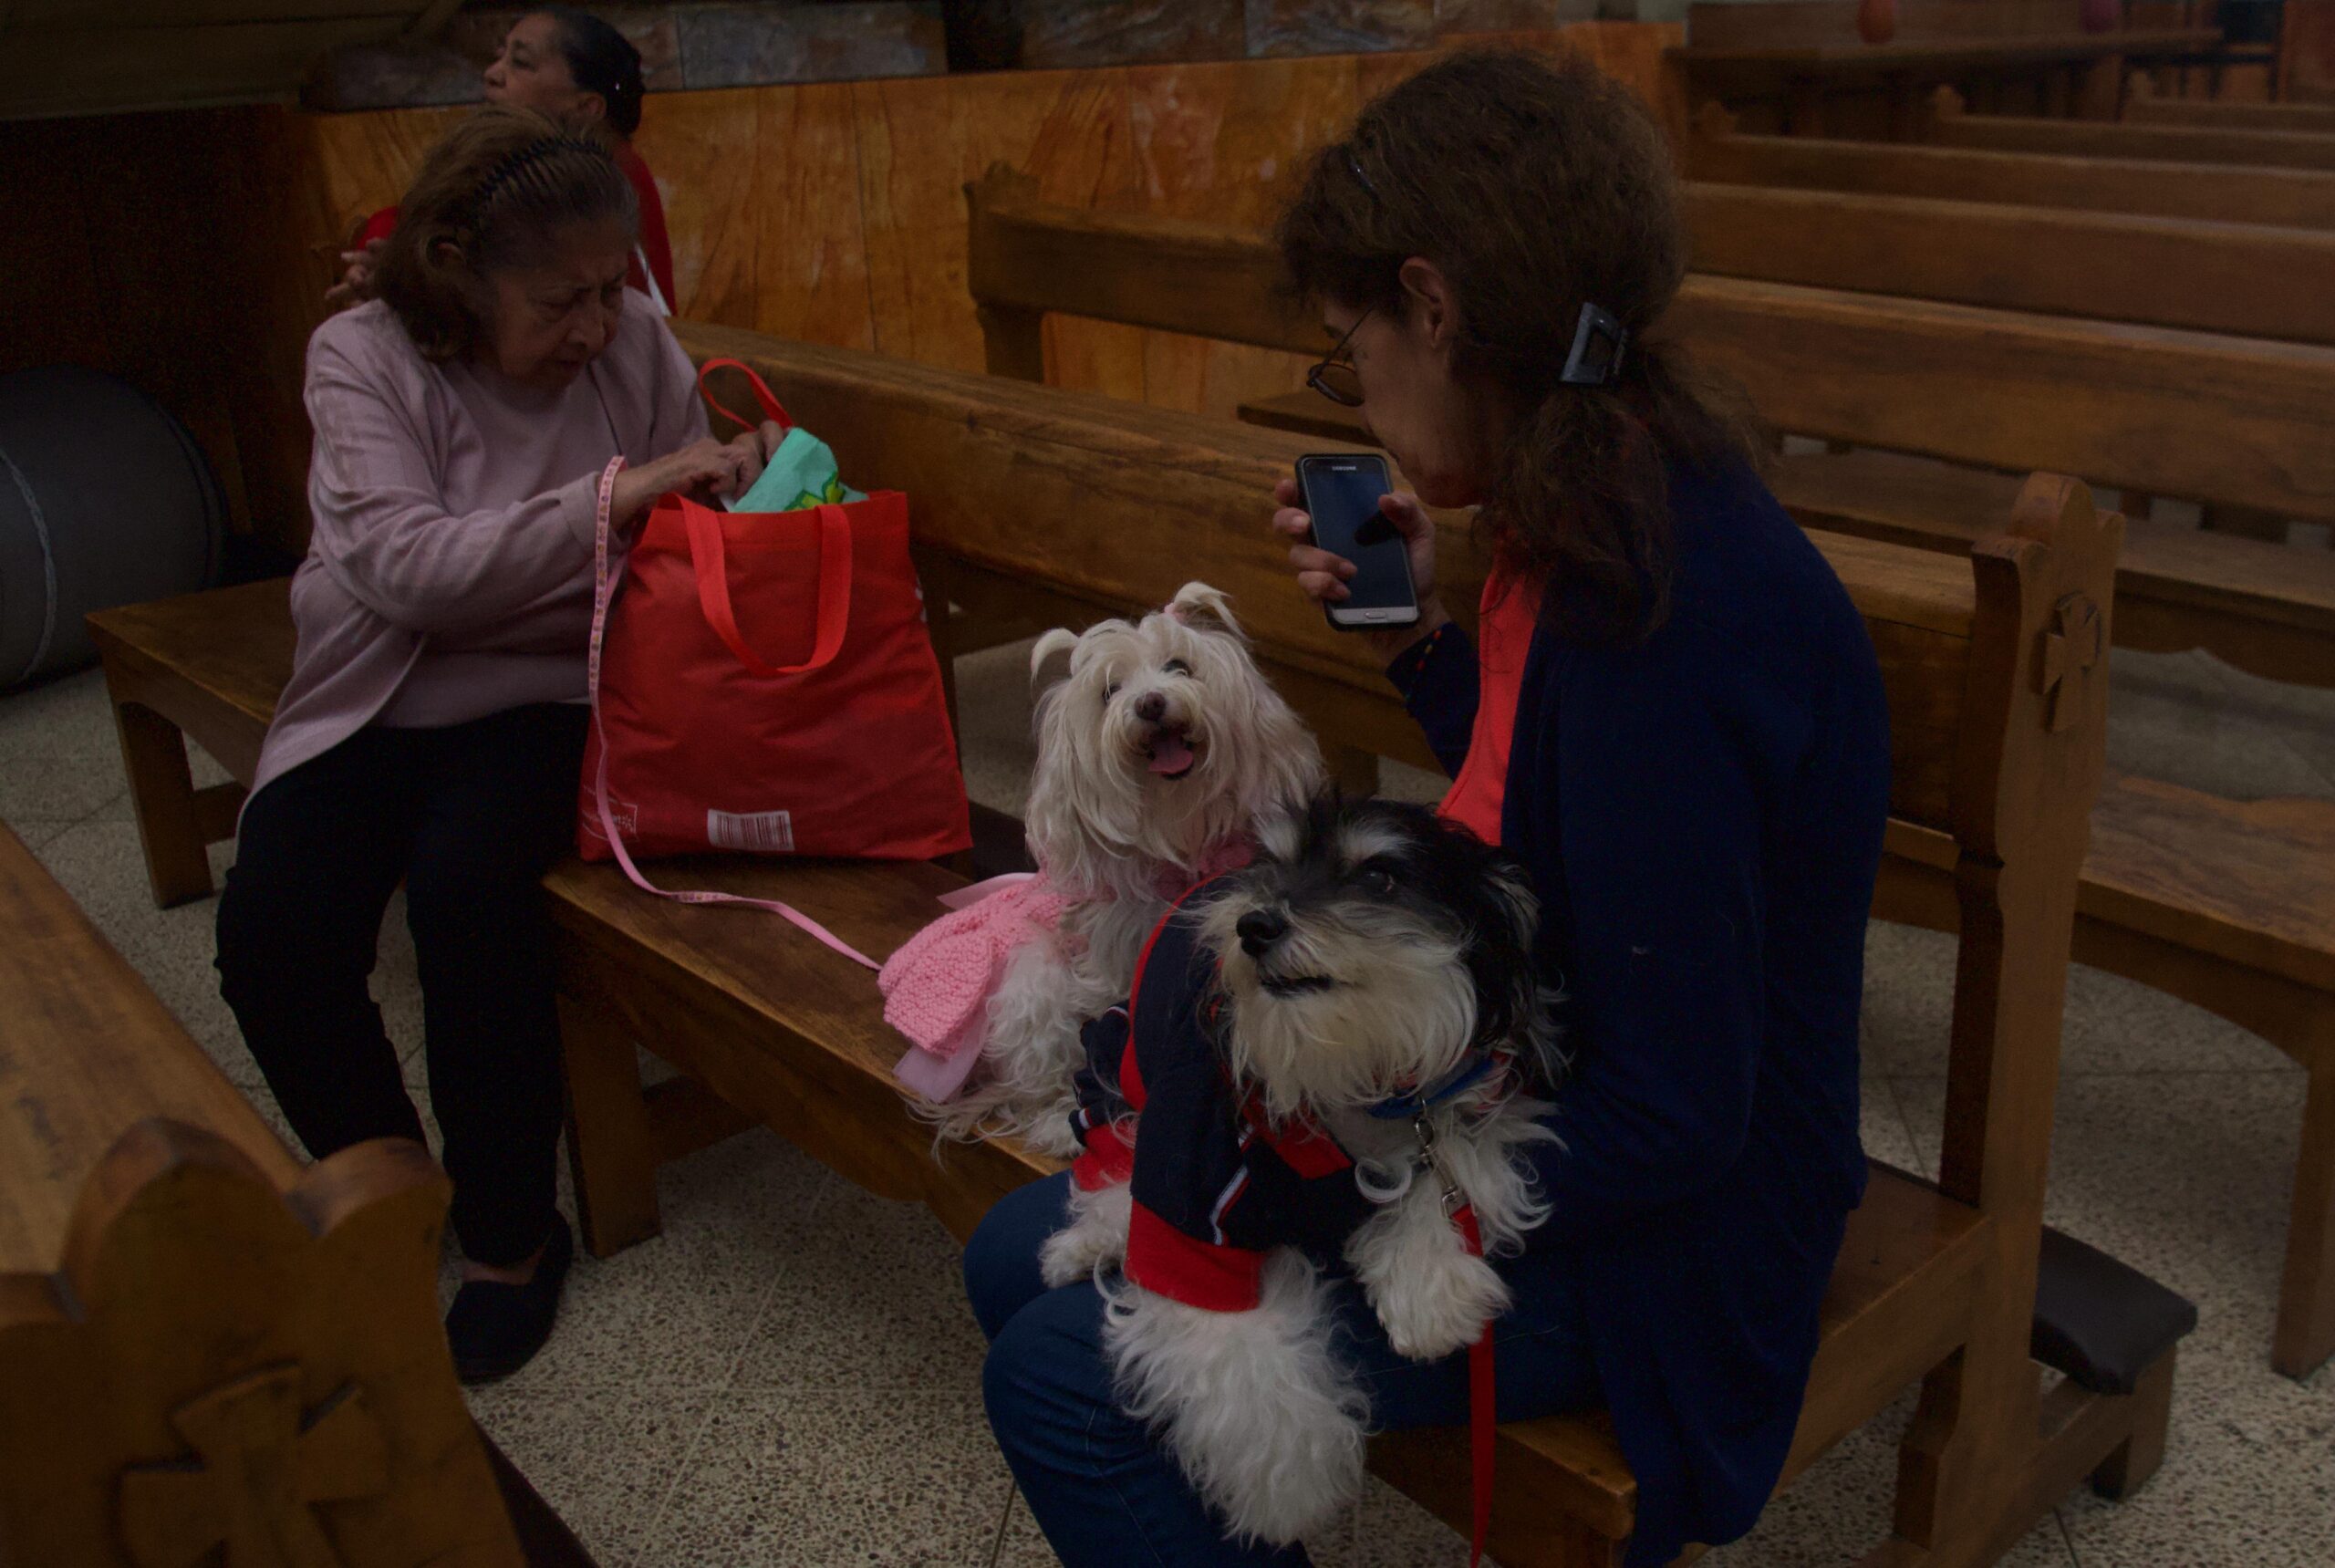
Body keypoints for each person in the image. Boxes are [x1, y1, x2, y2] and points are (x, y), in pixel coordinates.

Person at [963, 48, 1892, 1568]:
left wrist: (1347, 1171)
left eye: (1354, 351)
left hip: (1677, 1234)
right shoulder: (1587, 505)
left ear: (1436, 306)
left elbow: (1682, 1109)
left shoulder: (1660, 611)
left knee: (1063, 1370)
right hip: (1543, 1075)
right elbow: (1558, 824)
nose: (1365, 398)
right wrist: (1423, 646)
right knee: (1024, 1250)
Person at [218, 108, 782, 1383]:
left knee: (474, 892)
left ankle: (511, 1235)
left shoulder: (627, 334)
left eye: (608, 286)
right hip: (380, 687)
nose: (594, 326)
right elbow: (409, 573)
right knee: (272, 930)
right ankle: (393, 1180)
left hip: (558, 683)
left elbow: (688, 497)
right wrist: (617, 495)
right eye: (556, 299)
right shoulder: (360, 354)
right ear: (457, 271)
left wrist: (739, 474)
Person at [327, 7, 675, 315]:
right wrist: (391, 266)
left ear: (586, 107)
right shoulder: (503, 160)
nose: (492, 74)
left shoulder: (602, 175)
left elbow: (523, 294)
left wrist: (409, 277)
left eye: (520, 63)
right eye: (499, 57)